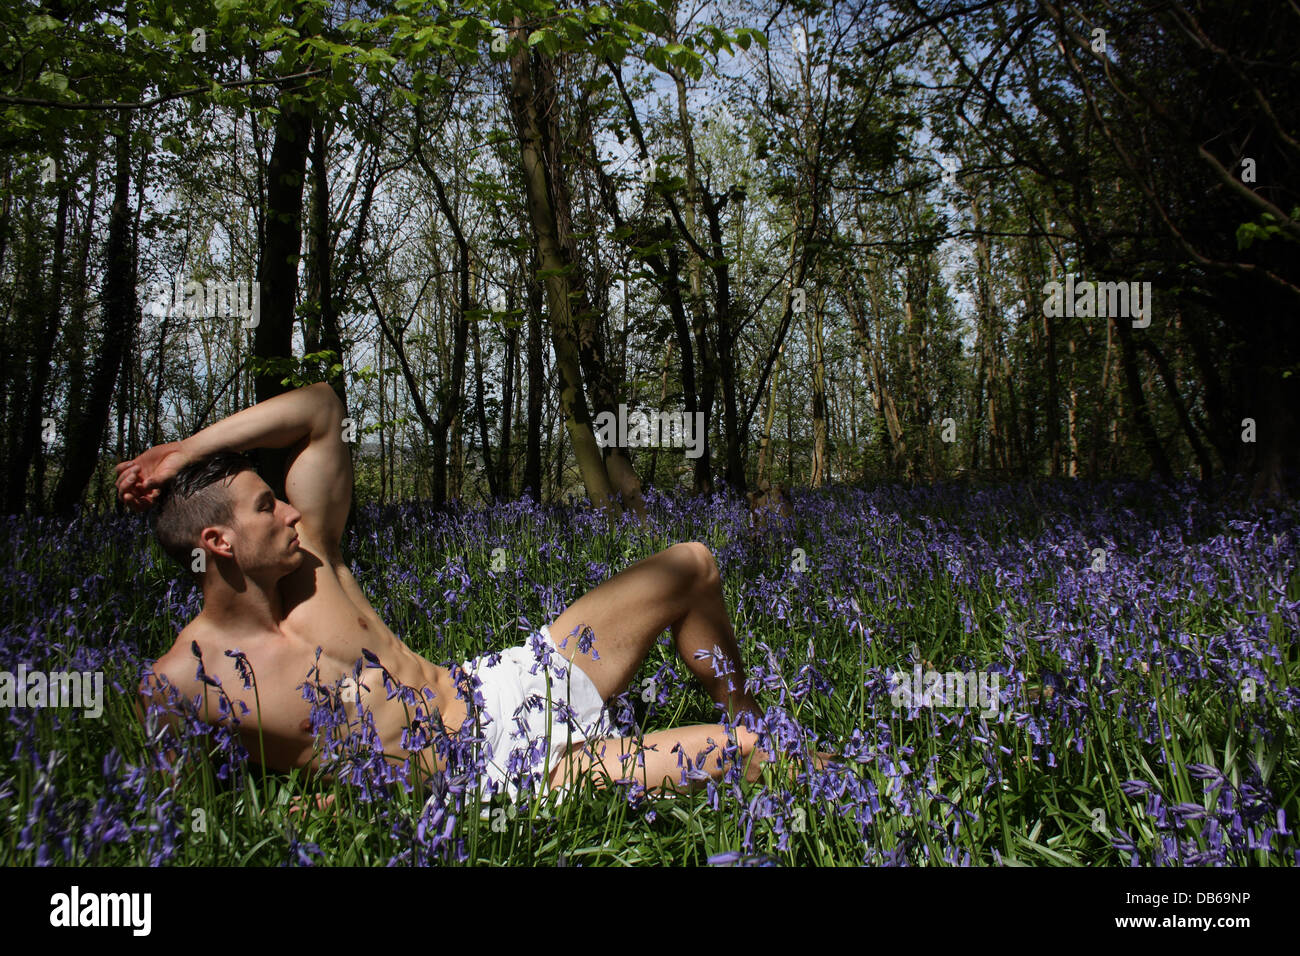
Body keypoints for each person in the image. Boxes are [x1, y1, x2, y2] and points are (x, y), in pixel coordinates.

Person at [119, 383, 816, 805]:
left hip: (503, 688)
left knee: (690, 563)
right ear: (217, 543)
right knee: (746, 753)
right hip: (492, 783)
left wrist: (183, 449)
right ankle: (853, 781)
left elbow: (319, 410)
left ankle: (752, 709)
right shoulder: (182, 682)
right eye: (267, 507)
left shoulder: (311, 564)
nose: (291, 514)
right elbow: (179, 820)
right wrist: (318, 808)